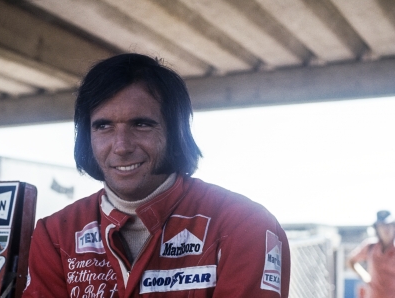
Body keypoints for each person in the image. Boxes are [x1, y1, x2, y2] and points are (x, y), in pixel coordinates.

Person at [22, 53, 290, 297]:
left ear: (175, 133)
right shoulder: (56, 235)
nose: (122, 146)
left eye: (141, 124)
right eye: (104, 126)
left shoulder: (243, 225)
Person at [347, 210, 395, 298]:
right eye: (382, 225)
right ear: (377, 228)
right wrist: (365, 276)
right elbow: (351, 261)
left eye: (389, 225)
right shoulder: (370, 246)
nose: (386, 229)